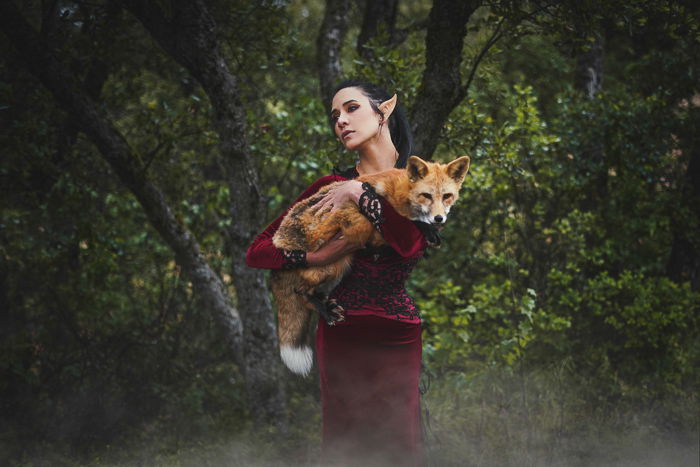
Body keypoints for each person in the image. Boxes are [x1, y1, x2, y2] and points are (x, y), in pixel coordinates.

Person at [246, 79, 429, 467]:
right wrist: (315, 258)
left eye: (351, 108)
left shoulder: (423, 181)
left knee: (400, 449)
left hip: (398, 333)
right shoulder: (329, 187)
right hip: (343, 330)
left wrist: (358, 193)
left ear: (384, 111)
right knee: (346, 448)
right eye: (335, 116)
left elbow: (409, 244)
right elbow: (258, 251)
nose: (341, 121)